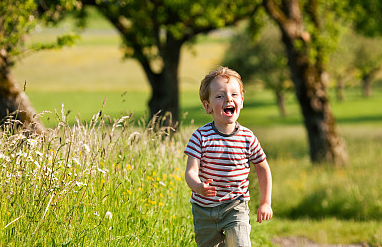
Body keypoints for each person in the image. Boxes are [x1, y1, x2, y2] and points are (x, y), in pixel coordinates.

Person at [184, 66, 273, 247]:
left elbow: (263, 168)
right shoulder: (200, 137)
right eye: (220, 96)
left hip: (235, 206)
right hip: (204, 210)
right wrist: (198, 186)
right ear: (207, 106)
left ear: (241, 101)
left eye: (234, 94)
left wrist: (265, 202)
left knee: (240, 244)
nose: (228, 99)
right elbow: (190, 172)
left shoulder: (248, 138)